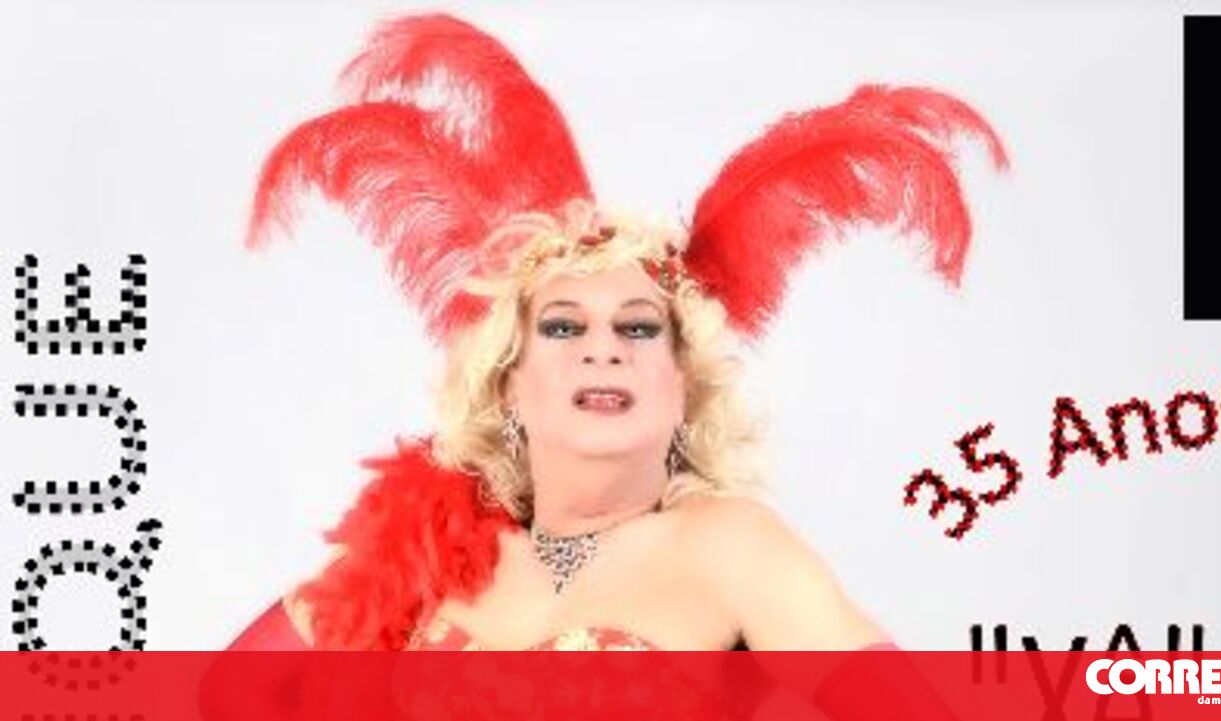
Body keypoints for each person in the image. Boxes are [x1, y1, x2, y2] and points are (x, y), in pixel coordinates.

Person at [226, 7, 1004, 665]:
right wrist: (373, 567)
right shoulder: (428, 557)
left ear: (681, 388)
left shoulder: (730, 546)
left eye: (639, 327)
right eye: (563, 326)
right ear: (508, 382)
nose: (604, 348)